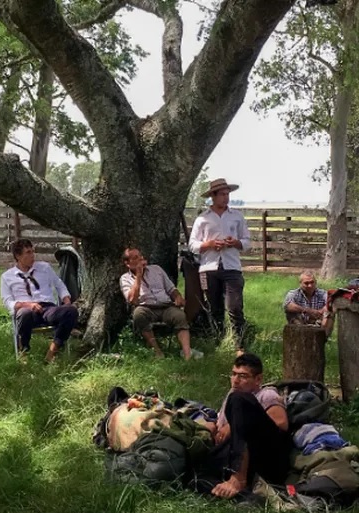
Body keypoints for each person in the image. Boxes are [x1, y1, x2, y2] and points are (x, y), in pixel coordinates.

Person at [197, 353, 292, 499]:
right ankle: (246, 496)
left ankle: (238, 479)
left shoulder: (266, 395)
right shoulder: (233, 395)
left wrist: (233, 425)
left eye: (242, 376)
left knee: (238, 399)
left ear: (258, 379)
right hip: (239, 455)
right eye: (233, 374)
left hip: (268, 456)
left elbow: (281, 425)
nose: (235, 381)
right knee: (196, 476)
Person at [189, 178, 251, 355]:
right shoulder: (202, 219)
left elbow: (247, 242)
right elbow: (193, 244)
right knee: (214, 307)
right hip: (209, 267)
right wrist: (208, 244)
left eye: (227, 194)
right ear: (213, 197)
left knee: (235, 306)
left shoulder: (237, 216)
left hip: (232, 265)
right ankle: (218, 342)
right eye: (222, 194)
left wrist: (235, 242)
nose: (226, 197)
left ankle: (239, 344)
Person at [1, 239, 78, 362]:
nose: (32, 256)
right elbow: (7, 301)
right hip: (26, 311)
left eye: (33, 252)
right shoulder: (7, 277)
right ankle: (24, 352)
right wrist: (27, 305)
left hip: (47, 309)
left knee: (71, 311)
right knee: (23, 314)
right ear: (18, 256)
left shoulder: (44, 268)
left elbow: (59, 284)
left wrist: (66, 299)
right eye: (28, 252)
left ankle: (52, 351)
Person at [119, 247, 202, 360]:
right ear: (127, 263)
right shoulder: (125, 278)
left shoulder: (156, 270)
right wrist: (138, 276)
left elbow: (171, 289)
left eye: (141, 256)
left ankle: (187, 353)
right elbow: (132, 300)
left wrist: (177, 297)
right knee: (138, 315)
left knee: (179, 316)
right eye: (135, 258)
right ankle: (157, 352)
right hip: (146, 307)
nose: (140, 259)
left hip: (165, 305)